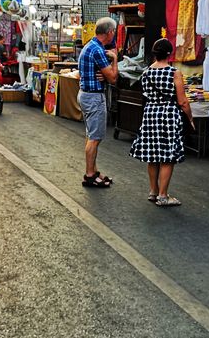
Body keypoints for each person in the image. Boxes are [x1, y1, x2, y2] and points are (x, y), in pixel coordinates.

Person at [128, 38, 195, 207]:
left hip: (150, 113)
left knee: (153, 152)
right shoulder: (174, 73)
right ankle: (163, 196)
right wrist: (190, 118)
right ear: (169, 54)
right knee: (167, 155)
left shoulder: (146, 73)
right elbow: (183, 102)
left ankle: (153, 191)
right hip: (168, 114)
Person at [77, 17, 119, 188]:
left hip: (86, 95)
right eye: (114, 32)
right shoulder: (97, 50)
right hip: (93, 97)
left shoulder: (91, 46)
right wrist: (115, 59)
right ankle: (89, 175)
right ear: (109, 32)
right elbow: (113, 78)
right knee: (94, 138)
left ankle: (94, 171)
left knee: (91, 135)